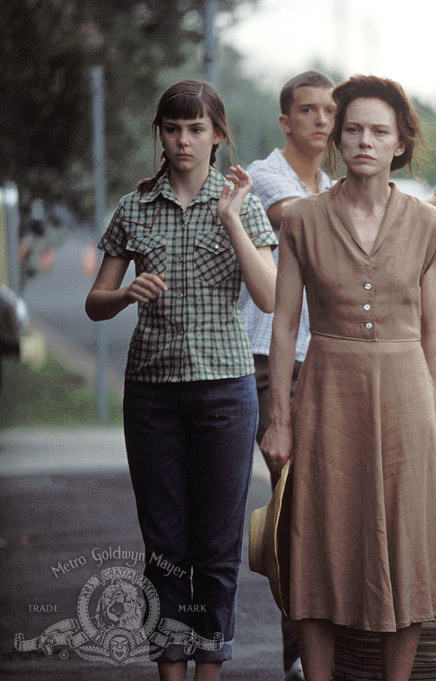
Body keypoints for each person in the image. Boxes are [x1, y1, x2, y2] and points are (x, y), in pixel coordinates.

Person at [239, 69, 436, 681]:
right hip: (327, 390)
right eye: (353, 130)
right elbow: (286, 325)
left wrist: (434, 415)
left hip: (405, 395)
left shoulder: (431, 225)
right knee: (318, 543)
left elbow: (433, 330)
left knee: (405, 542)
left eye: (380, 131)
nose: (365, 141)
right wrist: (281, 421)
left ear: (401, 142)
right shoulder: (301, 220)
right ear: (338, 141)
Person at [85, 79, 277, 681]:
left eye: (196, 129)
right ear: (160, 136)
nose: (184, 140)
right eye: (173, 129)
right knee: (164, 546)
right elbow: (95, 302)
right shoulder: (134, 207)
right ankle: (171, 671)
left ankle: (210, 669)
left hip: (225, 390)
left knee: (217, 548)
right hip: (152, 395)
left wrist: (232, 221)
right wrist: (124, 293)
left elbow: (269, 296)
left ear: (218, 135)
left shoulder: (240, 201)